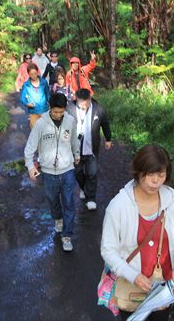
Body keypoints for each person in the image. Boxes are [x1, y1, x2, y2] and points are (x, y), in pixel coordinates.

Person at [100, 144, 174, 320]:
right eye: (150, 174)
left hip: (163, 289)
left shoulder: (172, 200)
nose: (156, 181)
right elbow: (108, 250)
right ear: (138, 172)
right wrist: (134, 276)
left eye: (161, 175)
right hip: (130, 291)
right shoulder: (118, 207)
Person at [24, 93, 80, 252]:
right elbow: (29, 148)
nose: (58, 115)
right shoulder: (41, 124)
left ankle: (67, 235)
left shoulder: (70, 121)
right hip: (48, 173)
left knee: (69, 203)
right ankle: (58, 219)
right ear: (50, 108)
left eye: (61, 112)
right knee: (53, 201)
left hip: (68, 170)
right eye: (55, 112)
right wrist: (30, 166)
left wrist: (76, 154)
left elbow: (74, 140)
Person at [66, 88, 111, 210]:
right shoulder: (69, 109)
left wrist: (108, 139)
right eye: (81, 104)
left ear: (90, 99)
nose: (84, 106)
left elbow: (105, 124)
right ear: (76, 100)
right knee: (77, 172)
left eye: (86, 103)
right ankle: (84, 188)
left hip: (91, 148)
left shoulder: (98, 109)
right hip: (75, 149)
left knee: (92, 173)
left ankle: (91, 198)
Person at [20, 63, 50, 129]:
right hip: (33, 111)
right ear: (28, 74)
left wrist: (51, 103)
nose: (34, 75)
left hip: (44, 110)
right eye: (31, 74)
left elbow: (48, 94)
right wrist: (27, 103)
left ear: (37, 72)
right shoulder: (26, 85)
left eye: (35, 73)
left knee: (45, 130)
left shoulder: (44, 82)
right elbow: (22, 97)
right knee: (35, 131)